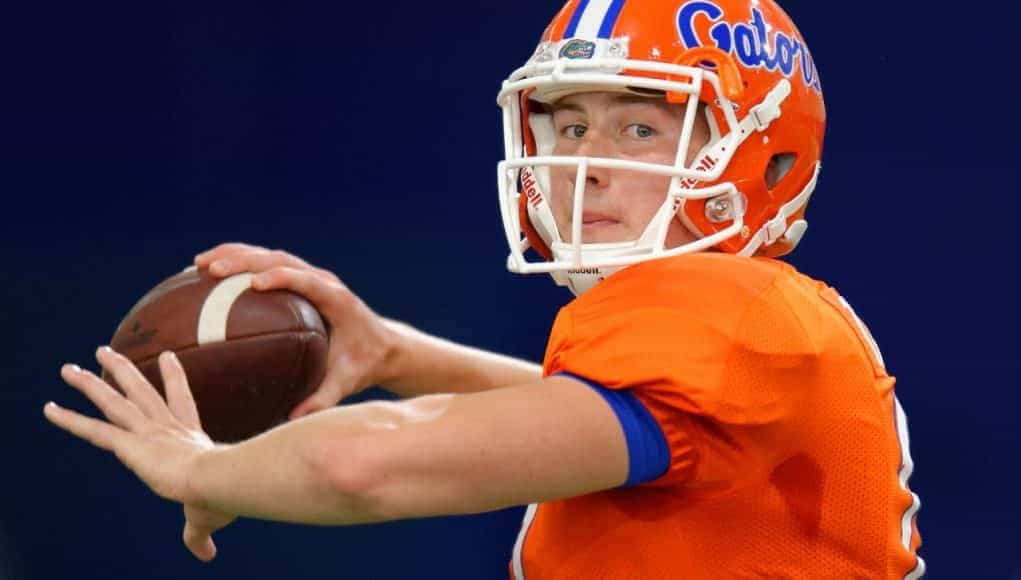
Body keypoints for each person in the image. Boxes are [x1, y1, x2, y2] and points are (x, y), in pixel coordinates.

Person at [45, 0, 926, 577]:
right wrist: (394, 351)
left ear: (759, 152)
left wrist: (206, 466)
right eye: (571, 123)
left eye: (638, 129)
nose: (586, 164)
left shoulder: (721, 310)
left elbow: (364, 465)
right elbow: (583, 425)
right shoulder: (761, 324)